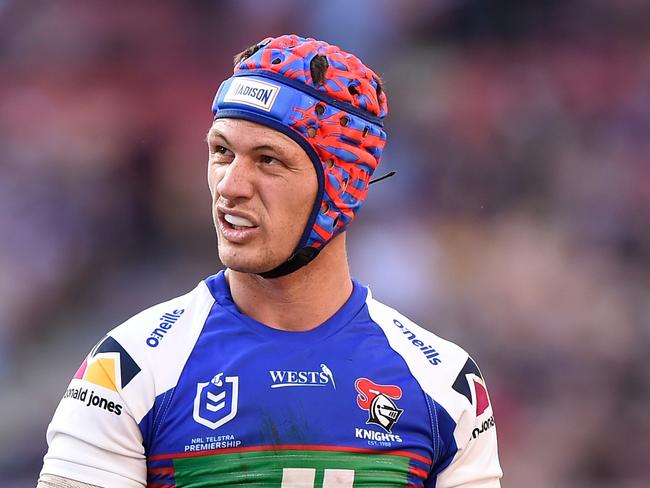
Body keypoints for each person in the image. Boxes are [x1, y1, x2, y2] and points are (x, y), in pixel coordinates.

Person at [38, 34, 502, 488]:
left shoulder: (443, 383)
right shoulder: (130, 366)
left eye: (268, 161)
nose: (230, 186)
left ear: (342, 187)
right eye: (222, 152)